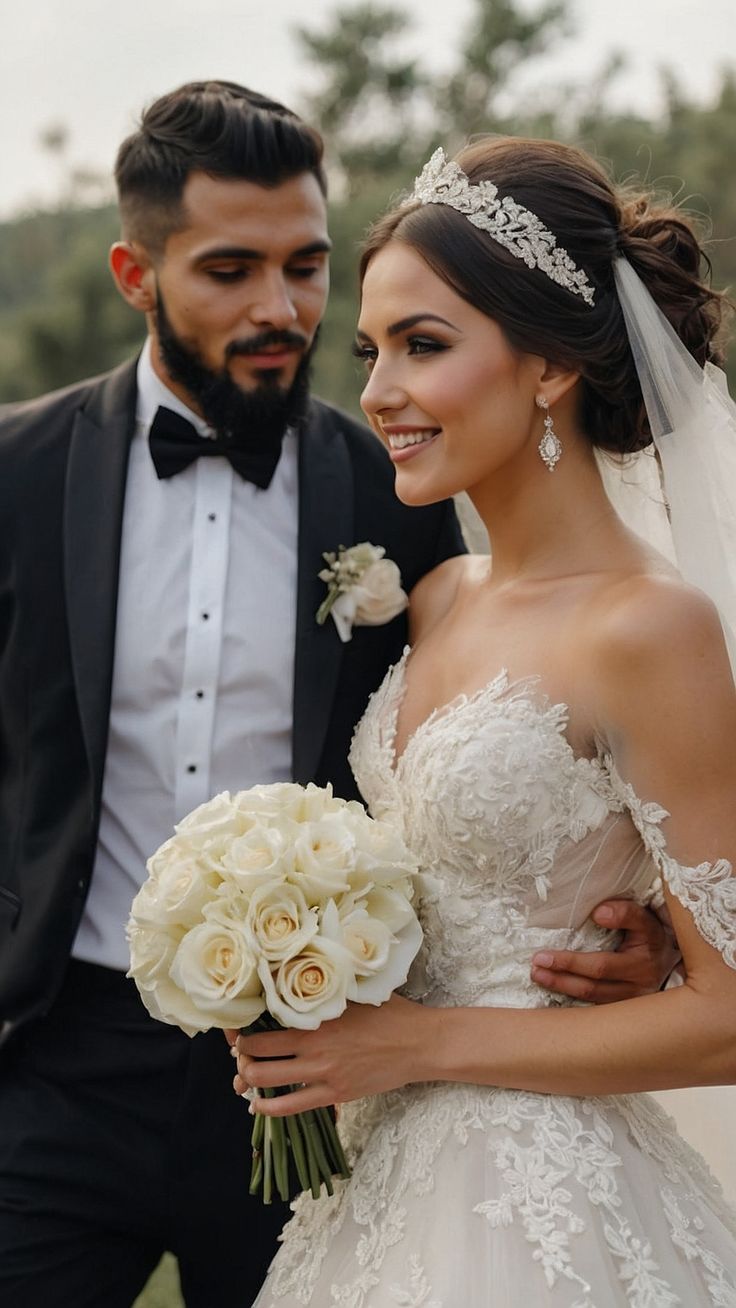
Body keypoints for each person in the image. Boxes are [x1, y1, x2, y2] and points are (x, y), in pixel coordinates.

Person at [0, 83, 673, 1307]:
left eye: (306, 265)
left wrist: (648, 939)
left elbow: (563, 753)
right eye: (229, 269)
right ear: (134, 272)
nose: (280, 309)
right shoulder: (16, 474)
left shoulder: (397, 492)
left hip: (333, 1076)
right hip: (55, 1058)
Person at [235, 137, 736, 1306]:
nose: (376, 392)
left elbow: (729, 1016)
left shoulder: (648, 627)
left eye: (424, 345)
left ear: (550, 365)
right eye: (370, 351)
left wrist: (418, 1041)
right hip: (375, 1190)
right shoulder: (438, 595)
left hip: (545, 1211)